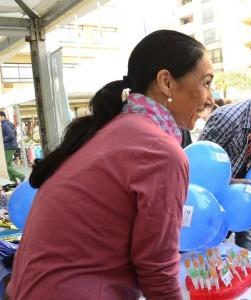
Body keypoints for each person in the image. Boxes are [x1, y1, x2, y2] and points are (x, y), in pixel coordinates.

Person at [8, 30, 214, 299]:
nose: (210, 98)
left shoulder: (114, 128)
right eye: (206, 82)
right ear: (166, 82)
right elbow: (157, 269)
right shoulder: (161, 151)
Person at [198, 94, 251, 251]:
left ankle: (248, 270)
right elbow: (201, 159)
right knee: (212, 244)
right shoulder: (227, 118)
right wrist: (228, 181)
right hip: (216, 195)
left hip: (242, 195)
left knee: (246, 234)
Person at [0, 111, 24, 183]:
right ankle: (13, 181)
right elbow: (14, 134)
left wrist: (2, 140)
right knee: (9, 164)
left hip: (8, 147)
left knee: (4, 165)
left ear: (1, 116)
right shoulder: (9, 123)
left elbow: (11, 135)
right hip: (12, 146)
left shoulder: (4, 125)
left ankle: (20, 175)